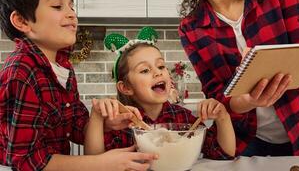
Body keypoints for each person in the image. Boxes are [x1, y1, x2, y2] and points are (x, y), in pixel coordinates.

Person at [0, 0, 158, 170]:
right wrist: (102, 163)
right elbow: (26, 160)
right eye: (58, 6)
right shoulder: (21, 72)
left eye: (71, 5)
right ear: (22, 21)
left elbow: (75, 128)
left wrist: (103, 121)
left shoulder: (63, 66)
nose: (71, 14)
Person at [178, 0, 299, 156]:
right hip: (250, 141)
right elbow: (218, 98)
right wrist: (248, 100)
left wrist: (264, 68)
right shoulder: (190, 28)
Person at [85, 28, 236, 159]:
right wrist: (97, 117)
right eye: (145, 70)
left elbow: (223, 153)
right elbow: (94, 163)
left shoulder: (184, 119)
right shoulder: (119, 123)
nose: (158, 72)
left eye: (161, 66)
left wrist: (223, 116)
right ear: (126, 87)